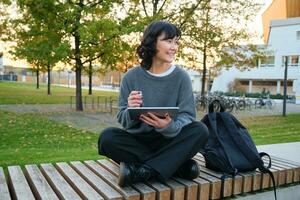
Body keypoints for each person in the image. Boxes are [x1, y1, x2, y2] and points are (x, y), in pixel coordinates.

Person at [98, 21, 209, 187]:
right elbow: (122, 118)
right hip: (138, 141)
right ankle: (176, 166)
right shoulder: (131, 77)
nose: (174, 47)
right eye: (168, 41)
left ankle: (144, 171)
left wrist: (169, 126)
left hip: (170, 139)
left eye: (176, 42)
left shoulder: (181, 77)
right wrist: (130, 110)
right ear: (152, 42)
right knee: (107, 138)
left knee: (200, 130)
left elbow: (188, 116)